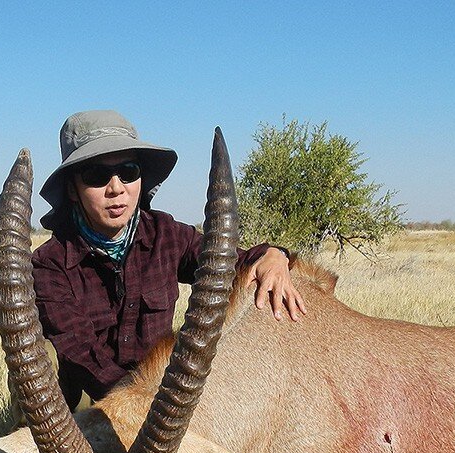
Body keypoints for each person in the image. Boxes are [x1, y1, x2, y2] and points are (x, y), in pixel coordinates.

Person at [31, 110, 305, 409]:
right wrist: (144, 405)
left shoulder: (167, 235)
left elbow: (231, 264)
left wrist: (274, 255)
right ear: (73, 189)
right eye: (96, 176)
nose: (116, 188)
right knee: (36, 362)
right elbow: (82, 354)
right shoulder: (48, 265)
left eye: (128, 171)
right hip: (90, 396)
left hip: (158, 395)